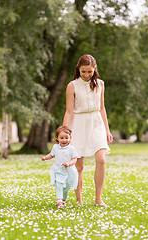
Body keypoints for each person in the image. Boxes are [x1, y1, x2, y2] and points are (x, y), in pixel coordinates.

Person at [63, 54, 113, 208]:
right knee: (79, 165)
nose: (86, 75)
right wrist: (64, 133)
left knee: (101, 159)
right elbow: (69, 112)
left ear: (94, 69)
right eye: (83, 71)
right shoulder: (72, 86)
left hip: (96, 123)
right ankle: (79, 199)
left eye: (89, 72)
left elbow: (102, 108)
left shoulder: (100, 84)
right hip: (79, 124)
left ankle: (98, 199)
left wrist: (107, 130)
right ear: (78, 69)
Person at [41, 126, 78, 209]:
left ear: (70, 138)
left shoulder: (71, 149)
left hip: (69, 171)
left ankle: (63, 199)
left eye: (66, 138)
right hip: (58, 170)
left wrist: (69, 163)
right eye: (61, 138)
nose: (64, 140)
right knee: (59, 185)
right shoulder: (55, 147)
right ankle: (59, 201)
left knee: (66, 188)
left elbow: (74, 159)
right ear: (57, 138)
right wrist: (46, 157)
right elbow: (51, 155)